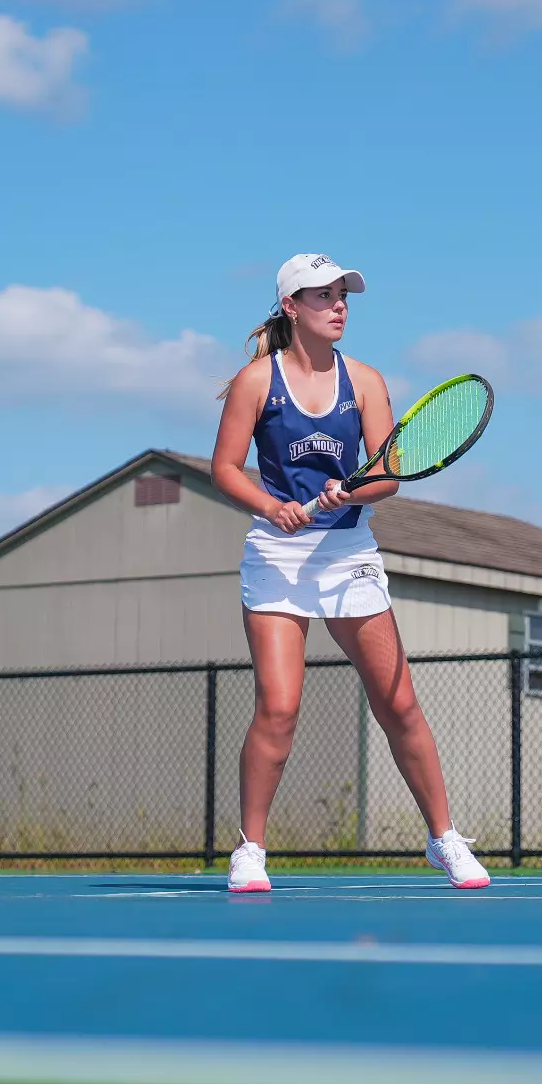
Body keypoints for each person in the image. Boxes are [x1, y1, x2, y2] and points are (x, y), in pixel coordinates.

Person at [210, 253, 490, 894]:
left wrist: (352, 493)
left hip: (348, 555)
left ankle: (444, 840)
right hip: (277, 557)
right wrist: (271, 505)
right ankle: (250, 850)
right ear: (291, 307)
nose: (338, 306)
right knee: (278, 710)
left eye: (343, 296)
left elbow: (387, 475)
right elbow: (224, 468)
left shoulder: (364, 380)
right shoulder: (257, 381)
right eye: (322, 296)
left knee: (398, 703)